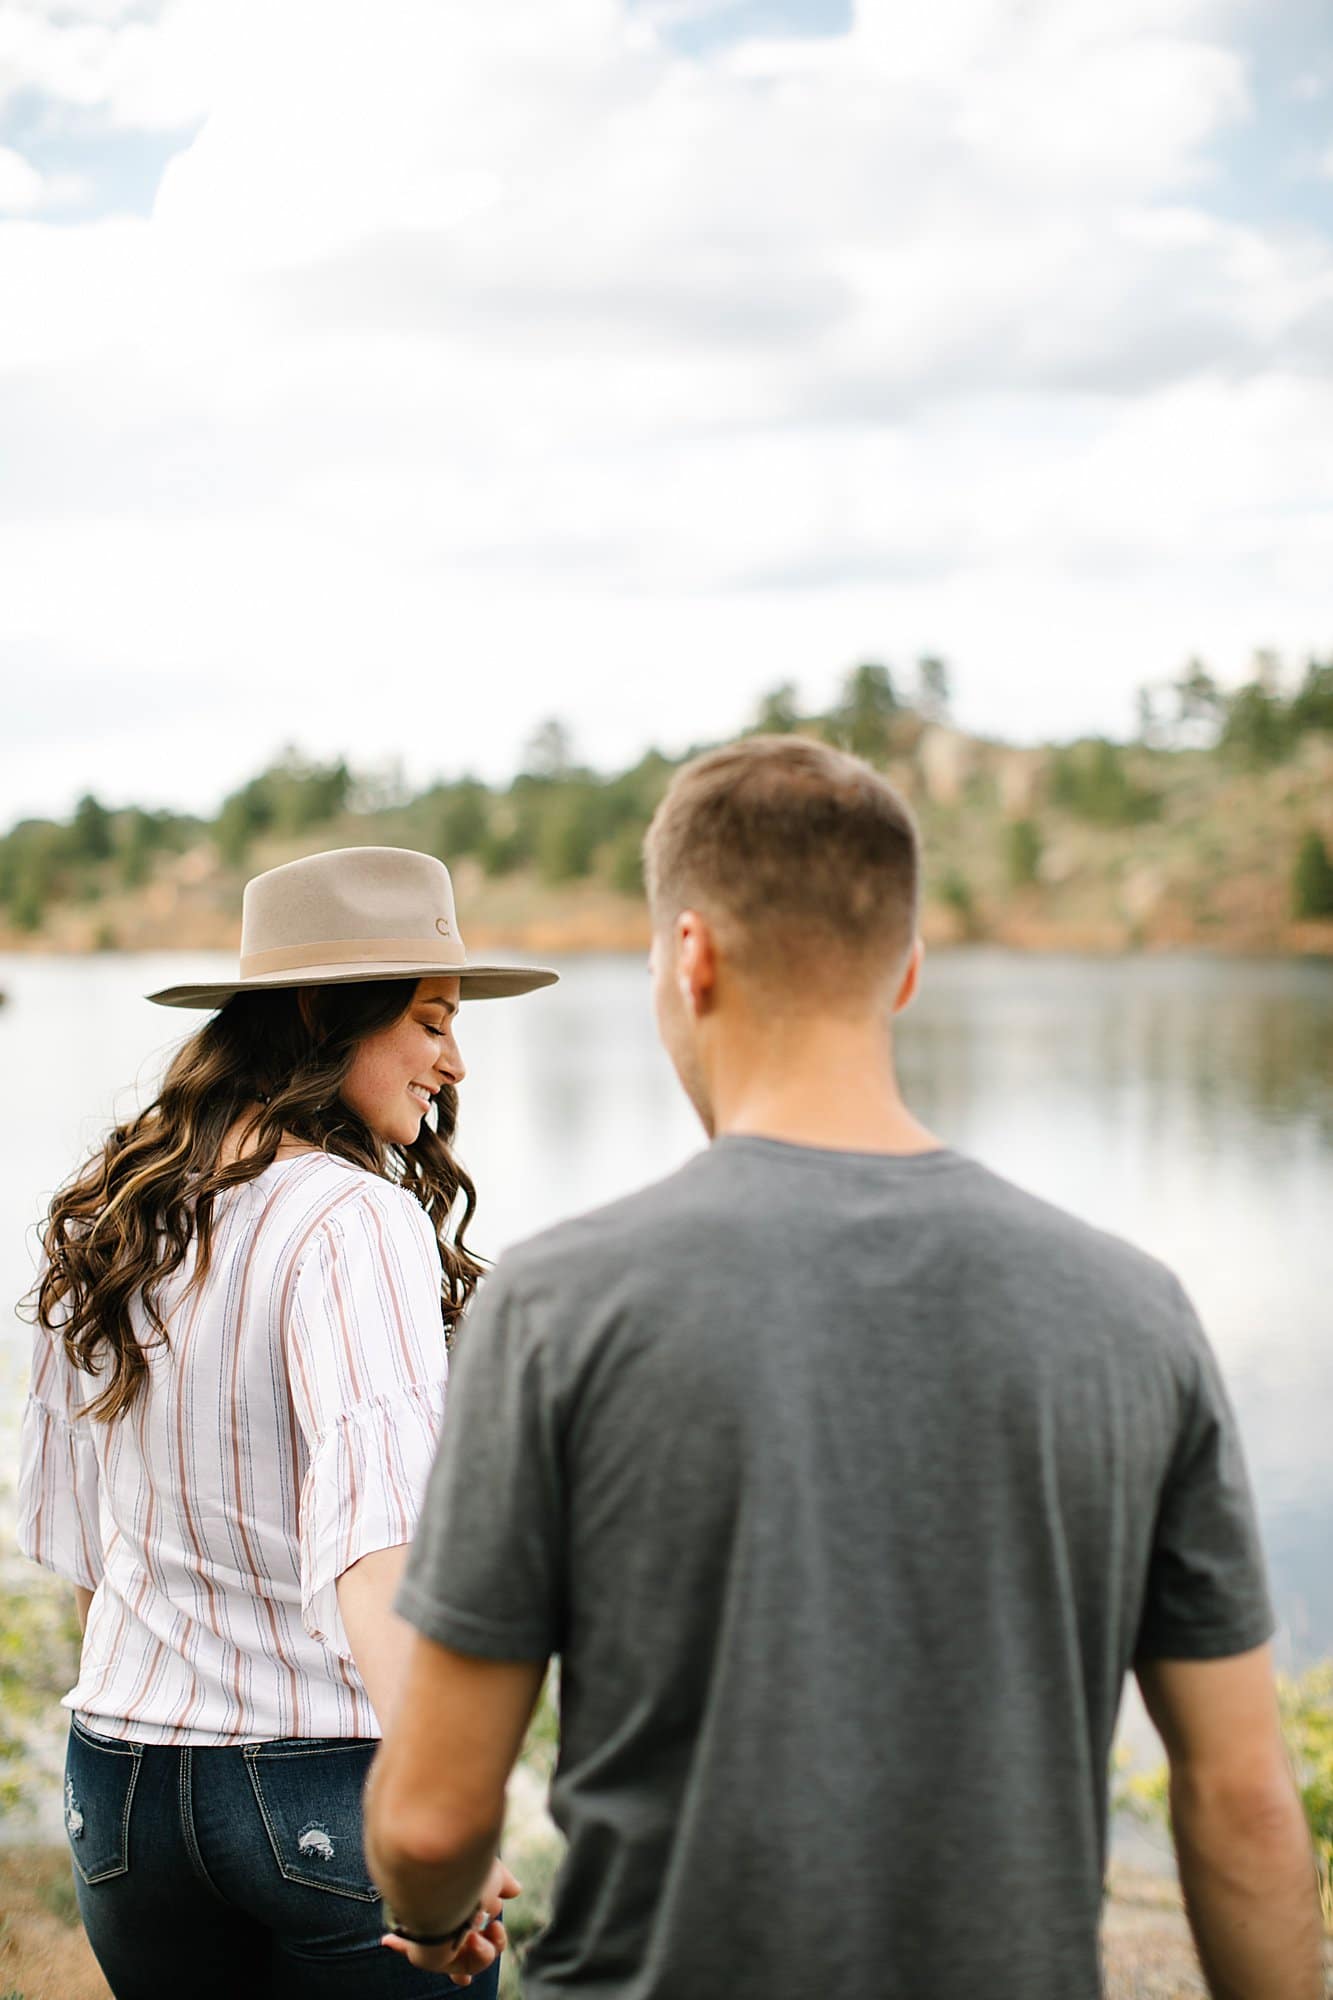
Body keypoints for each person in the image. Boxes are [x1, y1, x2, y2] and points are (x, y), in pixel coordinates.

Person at [363, 738, 1323, 1999]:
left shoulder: (557, 1304)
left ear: (690, 957)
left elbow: (432, 1819)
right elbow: (1244, 1801)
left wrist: (433, 1926)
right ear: (907, 972)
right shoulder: (1132, 1310)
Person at [17, 845, 556, 1999]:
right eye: (430, 1018)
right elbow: (382, 1554)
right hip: (323, 1785)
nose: (453, 1060)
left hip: (118, 1785)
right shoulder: (351, 1217)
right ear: (324, 1011)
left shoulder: (116, 1209)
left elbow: (82, 1557)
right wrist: (441, 1829)